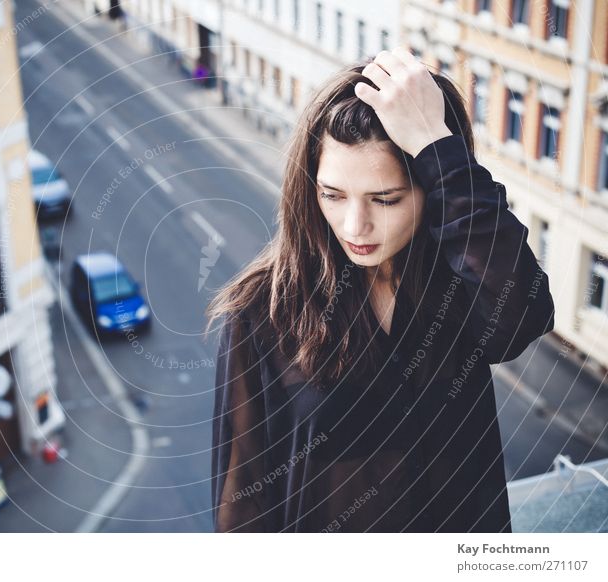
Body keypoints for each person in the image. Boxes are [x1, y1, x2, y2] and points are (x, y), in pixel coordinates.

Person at [204, 47, 555, 533]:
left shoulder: (458, 280)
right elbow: (240, 505)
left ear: (431, 192)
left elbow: (525, 317)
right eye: (332, 195)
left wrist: (437, 146)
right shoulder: (261, 312)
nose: (355, 225)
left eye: (385, 199)